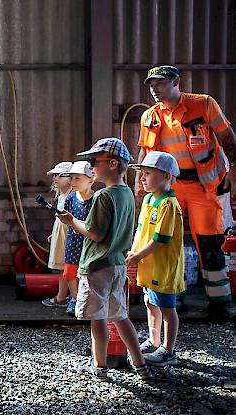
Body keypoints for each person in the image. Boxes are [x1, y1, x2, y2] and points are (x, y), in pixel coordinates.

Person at [135, 65, 236, 319]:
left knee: (210, 242)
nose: (154, 89)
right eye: (151, 85)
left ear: (176, 81)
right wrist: (139, 180)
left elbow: (227, 138)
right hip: (170, 188)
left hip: (205, 186)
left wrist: (233, 169)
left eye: (159, 83)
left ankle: (220, 302)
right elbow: (145, 152)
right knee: (169, 243)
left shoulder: (203, 104)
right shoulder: (150, 116)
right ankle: (171, 300)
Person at [58, 138, 151, 381]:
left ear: (111, 163)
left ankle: (99, 366)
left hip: (97, 265)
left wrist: (72, 222)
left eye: (93, 162)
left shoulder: (102, 197)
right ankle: (139, 364)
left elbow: (95, 233)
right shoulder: (128, 195)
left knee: (97, 319)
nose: (90, 167)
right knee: (120, 316)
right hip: (118, 264)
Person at [127, 151, 185, 367]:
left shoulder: (168, 204)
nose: (142, 178)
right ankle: (154, 339)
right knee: (150, 301)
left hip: (163, 267)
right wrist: (134, 252)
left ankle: (169, 350)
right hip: (148, 265)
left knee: (167, 308)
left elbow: (161, 239)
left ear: (166, 176)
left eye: (148, 173)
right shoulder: (149, 199)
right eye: (142, 173)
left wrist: (138, 255)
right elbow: (142, 230)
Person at [60, 161, 95, 316]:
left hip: (89, 243)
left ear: (91, 180)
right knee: (69, 272)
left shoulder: (96, 199)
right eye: (71, 178)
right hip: (73, 241)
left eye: (77, 178)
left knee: (87, 273)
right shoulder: (70, 198)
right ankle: (74, 298)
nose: (72, 182)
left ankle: (85, 300)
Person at [42, 162, 73, 308]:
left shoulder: (72, 196)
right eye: (55, 175)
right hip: (60, 232)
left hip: (68, 234)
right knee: (61, 267)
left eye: (60, 175)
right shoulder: (62, 196)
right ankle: (62, 296)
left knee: (68, 267)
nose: (56, 178)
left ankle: (71, 297)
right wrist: (53, 234)